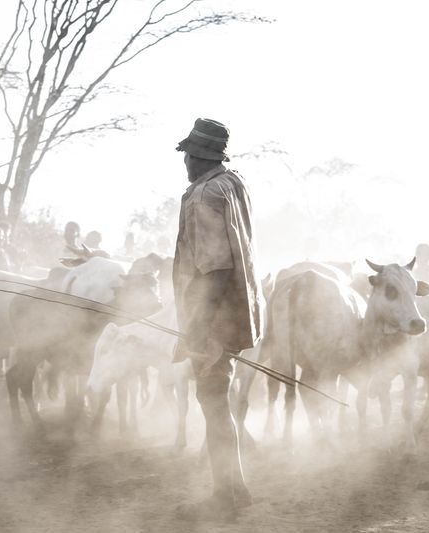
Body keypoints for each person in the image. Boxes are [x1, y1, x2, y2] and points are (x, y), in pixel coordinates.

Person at [172, 118, 262, 521]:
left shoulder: (202, 195)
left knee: (211, 403)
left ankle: (228, 494)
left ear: (197, 156)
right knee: (217, 401)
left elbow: (214, 269)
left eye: (187, 155)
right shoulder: (233, 182)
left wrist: (195, 328)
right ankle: (235, 487)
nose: (184, 162)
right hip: (237, 312)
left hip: (213, 318)